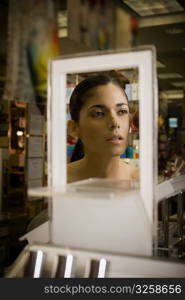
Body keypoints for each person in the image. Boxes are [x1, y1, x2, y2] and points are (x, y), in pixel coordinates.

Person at [67, 74, 139, 183]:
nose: (115, 123)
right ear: (74, 128)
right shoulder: (60, 181)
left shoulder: (141, 182)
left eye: (122, 111)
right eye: (99, 113)